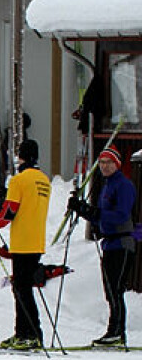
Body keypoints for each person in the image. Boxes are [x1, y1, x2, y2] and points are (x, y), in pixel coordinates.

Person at [0, 139, 51, 350]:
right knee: (23, 288)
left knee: (21, 290)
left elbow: (9, 212)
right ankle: (25, 333)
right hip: (37, 240)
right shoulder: (44, 180)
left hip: (22, 242)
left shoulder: (19, 180)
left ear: (21, 157)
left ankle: (30, 334)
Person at [68, 146, 137, 346]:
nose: (105, 166)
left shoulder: (123, 185)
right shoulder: (107, 186)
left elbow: (121, 215)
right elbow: (99, 216)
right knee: (110, 289)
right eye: (102, 163)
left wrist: (95, 213)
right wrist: (82, 209)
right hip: (109, 243)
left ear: (117, 164)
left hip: (122, 242)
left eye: (109, 162)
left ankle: (117, 331)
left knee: (115, 288)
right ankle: (114, 331)